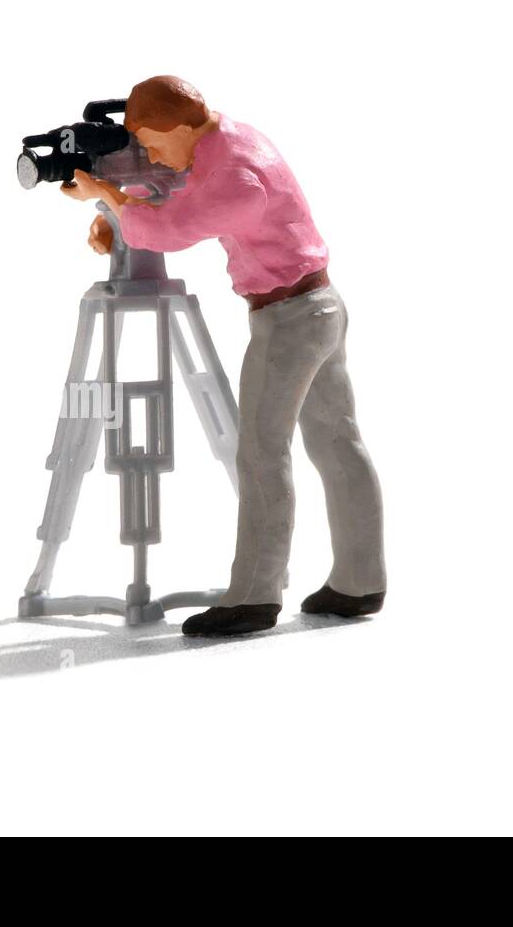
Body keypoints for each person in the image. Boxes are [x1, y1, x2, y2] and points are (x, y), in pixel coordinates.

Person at [62, 76, 386, 637]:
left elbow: (176, 226)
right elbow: (182, 194)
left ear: (182, 127)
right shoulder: (231, 140)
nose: (153, 158)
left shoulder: (238, 176)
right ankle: (361, 581)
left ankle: (256, 596)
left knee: (262, 450)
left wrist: (109, 198)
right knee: (337, 442)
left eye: (155, 147)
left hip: (288, 318)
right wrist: (118, 210)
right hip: (317, 305)